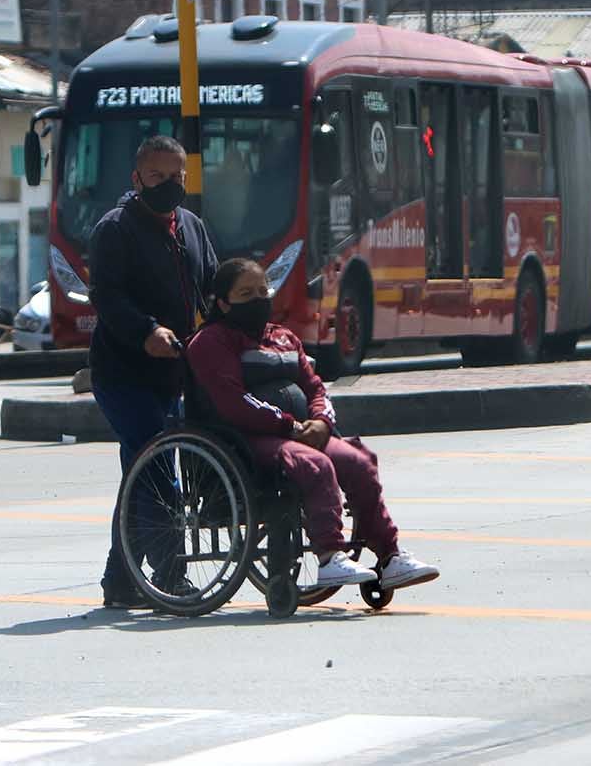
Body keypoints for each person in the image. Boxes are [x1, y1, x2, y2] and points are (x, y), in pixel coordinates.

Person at [186, 258, 440, 592]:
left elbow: (315, 387)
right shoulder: (210, 342)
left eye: (263, 291)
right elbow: (234, 401)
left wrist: (320, 420)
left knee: (358, 462)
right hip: (246, 440)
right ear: (223, 302)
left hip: (302, 432)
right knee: (315, 465)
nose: (258, 299)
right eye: (246, 293)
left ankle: (389, 557)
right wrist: (290, 426)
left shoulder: (283, 337)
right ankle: (329, 556)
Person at [89, 134, 217, 608]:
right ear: (137, 178)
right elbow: (107, 297)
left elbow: (210, 285)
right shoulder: (116, 229)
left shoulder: (192, 227)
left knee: (141, 472)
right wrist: (146, 331)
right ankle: (170, 573)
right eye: (156, 176)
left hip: (175, 372)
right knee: (157, 467)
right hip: (123, 372)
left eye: (175, 177)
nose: (167, 185)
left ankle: (120, 580)